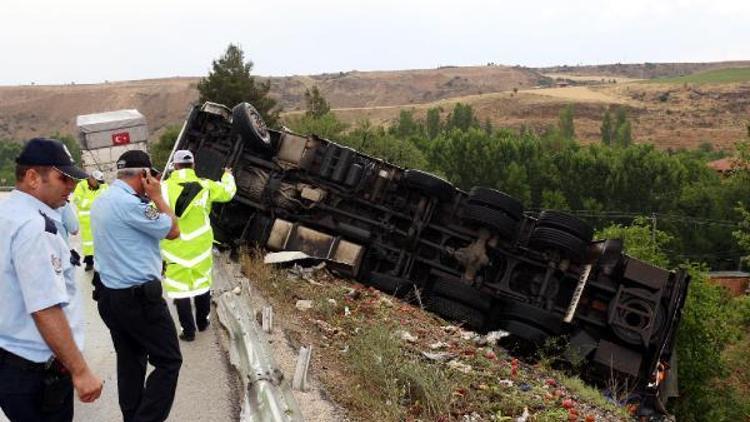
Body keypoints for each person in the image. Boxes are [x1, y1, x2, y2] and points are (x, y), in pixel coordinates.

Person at [0, 138, 103, 421]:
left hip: (10, 359)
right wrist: (80, 370)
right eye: (64, 178)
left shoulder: (8, 214)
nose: (72, 187)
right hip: (35, 370)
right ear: (33, 177)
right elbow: (45, 307)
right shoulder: (35, 226)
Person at [90, 150, 182, 422]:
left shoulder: (103, 199)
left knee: (130, 362)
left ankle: (131, 416)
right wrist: (158, 197)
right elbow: (173, 230)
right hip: (139, 301)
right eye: (151, 175)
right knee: (168, 361)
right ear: (144, 175)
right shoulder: (134, 205)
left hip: (110, 297)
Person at [160, 150, 236, 341]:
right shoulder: (206, 185)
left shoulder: (162, 188)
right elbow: (228, 192)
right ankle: (202, 323)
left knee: (179, 289)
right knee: (202, 285)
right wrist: (228, 175)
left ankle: (188, 331)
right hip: (200, 246)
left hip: (174, 248)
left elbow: (151, 214)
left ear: (175, 166)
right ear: (193, 165)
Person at [72, 170, 108, 271]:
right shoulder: (81, 186)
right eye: (97, 181)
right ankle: (89, 262)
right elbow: (78, 201)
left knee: (103, 241)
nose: (99, 184)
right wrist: (96, 202)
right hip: (86, 220)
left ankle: (105, 262)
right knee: (88, 243)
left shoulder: (103, 186)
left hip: (101, 219)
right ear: (91, 178)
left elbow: (107, 199)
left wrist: (90, 203)